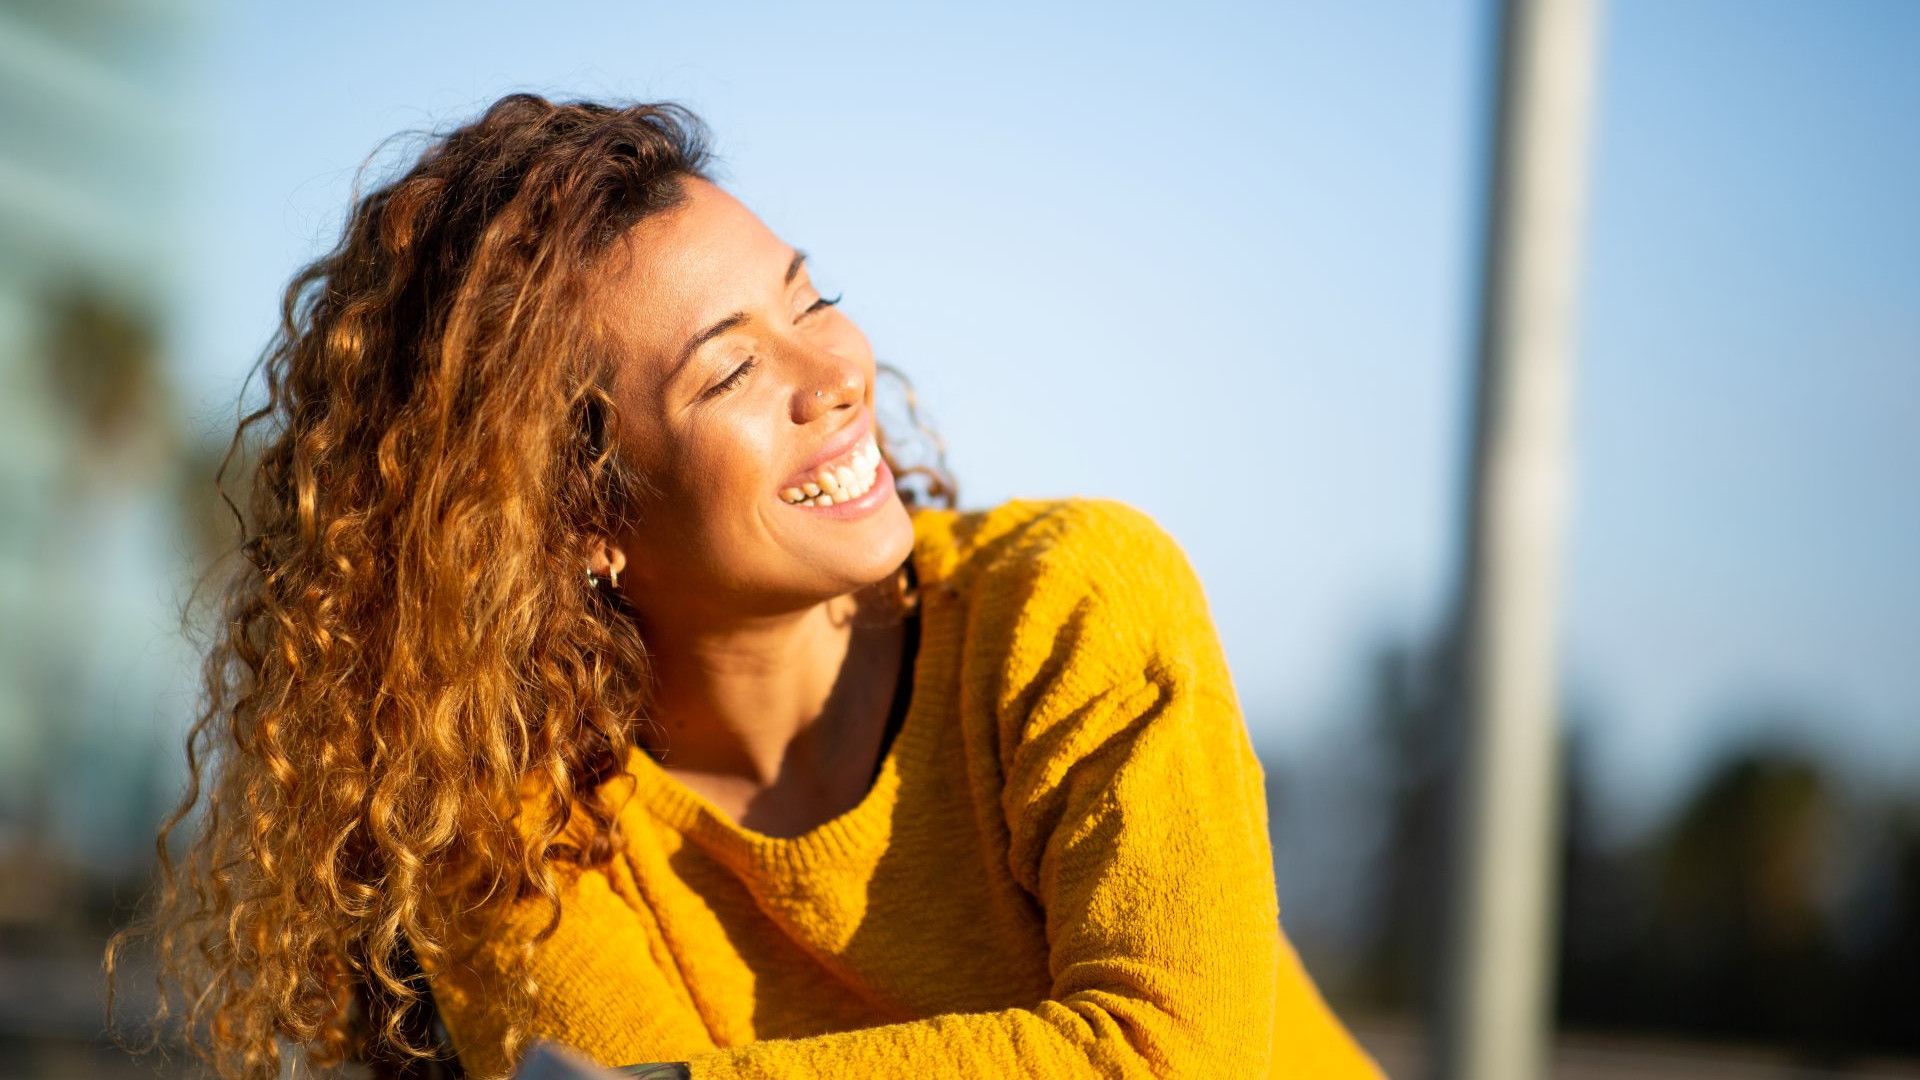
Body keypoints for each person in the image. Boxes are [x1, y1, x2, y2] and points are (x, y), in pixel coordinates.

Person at [105, 93, 1381, 1080]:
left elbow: (1174, 1057)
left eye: (810, 296)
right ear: (579, 520)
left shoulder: (1079, 600)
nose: (830, 372)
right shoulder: (511, 852)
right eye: (727, 375)